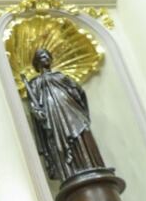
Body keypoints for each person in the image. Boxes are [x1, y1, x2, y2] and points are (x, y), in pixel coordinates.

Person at [23, 48, 106, 181]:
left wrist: (74, 93)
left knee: (83, 134)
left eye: (47, 56)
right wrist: (38, 112)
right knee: (59, 140)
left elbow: (79, 92)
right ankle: (71, 172)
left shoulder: (61, 76)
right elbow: (34, 104)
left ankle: (92, 165)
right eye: (42, 56)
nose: (46, 58)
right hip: (53, 115)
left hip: (72, 110)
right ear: (37, 62)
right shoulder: (34, 83)